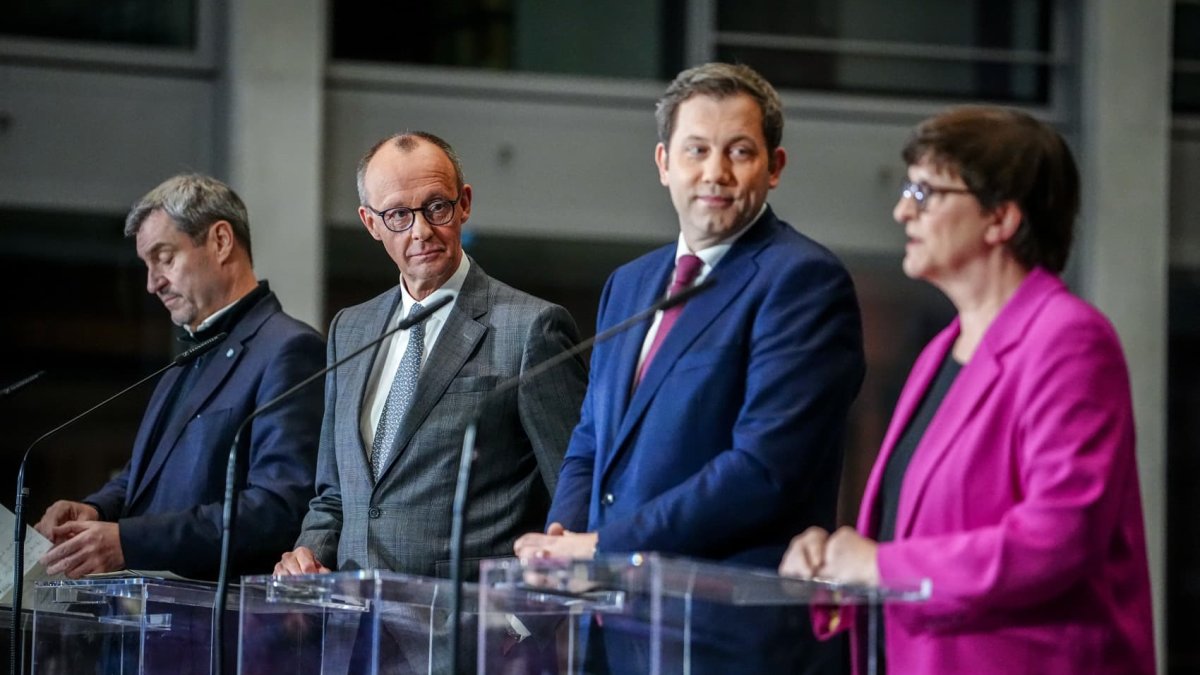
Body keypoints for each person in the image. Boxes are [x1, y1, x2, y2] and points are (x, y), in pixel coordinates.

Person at [514, 62, 865, 674]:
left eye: (740, 152)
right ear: (663, 162)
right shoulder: (630, 284)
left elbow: (763, 471)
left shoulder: (804, 281)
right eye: (697, 150)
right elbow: (592, 441)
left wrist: (603, 547)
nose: (715, 172)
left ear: (775, 166)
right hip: (615, 628)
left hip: (728, 637)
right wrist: (561, 540)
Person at [779, 106, 1155, 674]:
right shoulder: (940, 351)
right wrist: (836, 562)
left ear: (1000, 218)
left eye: (925, 192)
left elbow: (1057, 538)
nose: (902, 210)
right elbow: (916, 532)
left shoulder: (1068, 339)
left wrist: (879, 565)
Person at [275, 131, 586, 579]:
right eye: (398, 215)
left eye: (437, 206)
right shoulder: (351, 329)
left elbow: (574, 488)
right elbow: (335, 494)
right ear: (371, 223)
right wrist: (309, 553)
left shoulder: (531, 328)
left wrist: (544, 602)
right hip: (353, 613)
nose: (421, 230)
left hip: (469, 613)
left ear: (464, 204)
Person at [35, 173, 325, 579]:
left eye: (165, 257)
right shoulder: (188, 358)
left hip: (221, 611)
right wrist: (97, 509)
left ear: (221, 241)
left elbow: (278, 507)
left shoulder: (289, 349)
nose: (152, 283)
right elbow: (144, 475)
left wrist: (129, 543)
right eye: (147, 265)